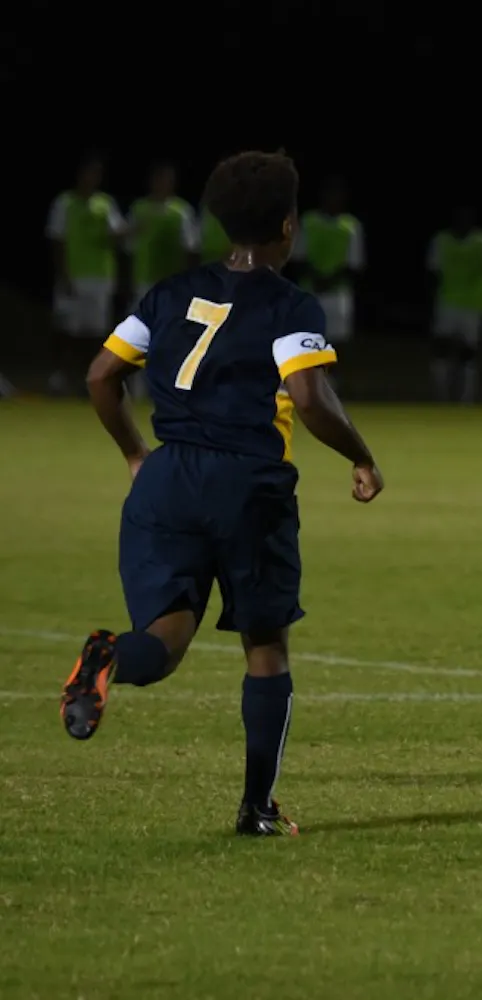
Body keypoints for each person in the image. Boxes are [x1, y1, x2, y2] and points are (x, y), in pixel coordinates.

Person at [61, 150, 386, 836]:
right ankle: (256, 809)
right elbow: (308, 393)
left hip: (168, 480)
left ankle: (109, 655)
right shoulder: (289, 303)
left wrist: (133, 453)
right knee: (265, 648)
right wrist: (361, 456)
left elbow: (99, 376)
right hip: (247, 485)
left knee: (163, 642)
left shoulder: (170, 293)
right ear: (288, 226)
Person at [46, 152, 127, 395]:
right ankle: (59, 376)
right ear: (80, 175)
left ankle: (89, 378)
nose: (92, 178)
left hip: (100, 277)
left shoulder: (105, 204)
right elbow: (57, 240)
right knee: (66, 329)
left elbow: (117, 235)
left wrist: (127, 233)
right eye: (89, 173)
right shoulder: (65, 203)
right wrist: (64, 274)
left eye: (96, 174)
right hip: (74, 275)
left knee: (95, 331)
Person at [126, 162, 200, 398]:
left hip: (171, 286)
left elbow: (190, 250)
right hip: (143, 282)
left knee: (171, 337)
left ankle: (166, 389)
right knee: (140, 336)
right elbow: (128, 248)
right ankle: (137, 389)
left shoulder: (181, 211)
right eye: (159, 179)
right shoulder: (139, 209)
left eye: (167, 179)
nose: (162, 184)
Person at [427, 205, 482, 403]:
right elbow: (433, 271)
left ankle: (465, 400)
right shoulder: (441, 240)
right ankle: (440, 397)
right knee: (441, 349)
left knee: (468, 352)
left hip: (473, 303)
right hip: (447, 300)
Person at [291, 176, 364, 359]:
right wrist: (316, 279)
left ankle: (331, 385)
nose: (333, 199)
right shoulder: (309, 221)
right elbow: (299, 257)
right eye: (330, 194)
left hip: (338, 294)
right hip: (310, 291)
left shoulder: (351, 226)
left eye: (337, 195)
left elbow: (354, 264)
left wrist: (329, 281)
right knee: (305, 343)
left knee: (336, 345)